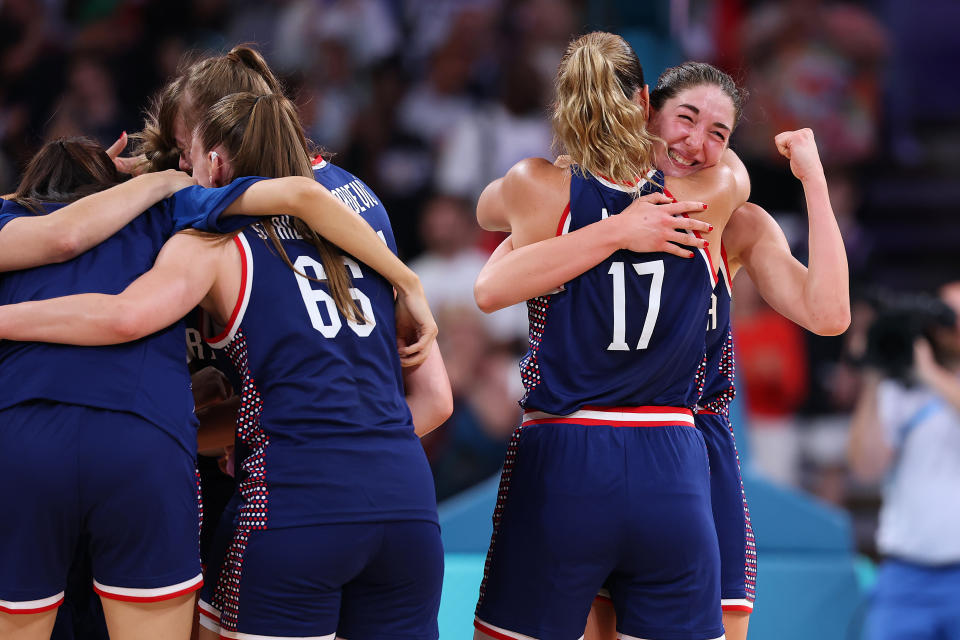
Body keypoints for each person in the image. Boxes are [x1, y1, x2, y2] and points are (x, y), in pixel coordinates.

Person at [0, 91, 451, 640]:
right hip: (401, 492)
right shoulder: (184, 208)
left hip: (37, 441)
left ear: (213, 159)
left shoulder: (18, 221)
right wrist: (407, 279)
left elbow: (105, 293)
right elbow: (436, 401)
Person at [476, 62, 849, 640]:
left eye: (719, 135)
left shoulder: (732, 217)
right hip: (639, 444)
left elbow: (828, 315)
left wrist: (814, 184)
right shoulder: (583, 201)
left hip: (691, 443)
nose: (697, 144)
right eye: (686, 119)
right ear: (646, 110)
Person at [470, 34, 750, 640]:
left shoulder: (537, 187)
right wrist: (627, 221)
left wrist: (595, 218)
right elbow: (733, 170)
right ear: (646, 102)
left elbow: (487, 231)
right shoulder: (707, 193)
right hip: (673, 460)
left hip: (566, 455)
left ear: (563, 108)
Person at [848, 283, 960, 640]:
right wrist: (873, 375)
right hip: (904, 577)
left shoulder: (928, 377)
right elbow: (865, 467)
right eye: (947, 314)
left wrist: (929, 373)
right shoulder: (901, 389)